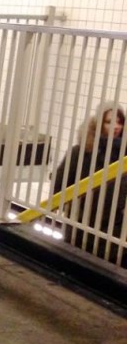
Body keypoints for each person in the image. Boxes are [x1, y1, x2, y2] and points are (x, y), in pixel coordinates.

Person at [51, 103, 127, 265]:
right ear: (98, 124)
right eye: (109, 122)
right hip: (79, 224)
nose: (116, 127)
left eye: (120, 122)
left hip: (113, 229)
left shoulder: (124, 159)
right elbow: (59, 185)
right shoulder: (80, 152)